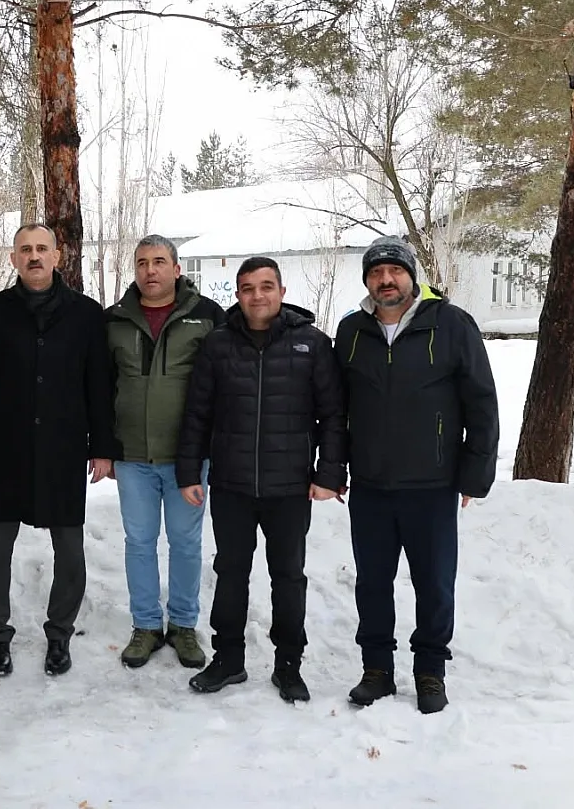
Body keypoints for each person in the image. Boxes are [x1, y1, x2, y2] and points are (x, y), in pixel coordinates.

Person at [335, 236, 499, 714]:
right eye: (376, 273)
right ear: (367, 280)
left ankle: (430, 671)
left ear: (411, 275)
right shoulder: (351, 331)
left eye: (395, 272)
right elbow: (335, 408)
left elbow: (481, 401)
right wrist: (335, 467)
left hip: (432, 483)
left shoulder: (449, 324)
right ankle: (377, 670)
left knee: (433, 582)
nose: (386, 281)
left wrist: (475, 472)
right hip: (370, 485)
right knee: (372, 582)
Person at [176, 256, 346, 702]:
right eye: (248, 288)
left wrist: (329, 472)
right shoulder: (217, 345)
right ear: (237, 295)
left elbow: (331, 415)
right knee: (230, 573)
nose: (257, 296)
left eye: (266, 286)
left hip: (290, 487)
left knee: (288, 576)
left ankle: (289, 664)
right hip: (231, 485)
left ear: (282, 292)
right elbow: (197, 414)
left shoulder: (311, 344)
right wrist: (188, 471)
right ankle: (228, 659)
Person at [0, 223, 119, 677]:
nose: (34, 256)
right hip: (4, 447)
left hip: (63, 447)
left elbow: (97, 386)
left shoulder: (87, 314)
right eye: (25, 249)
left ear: (58, 256)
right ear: (13, 258)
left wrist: (102, 448)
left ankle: (59, 635)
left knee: (69, 550)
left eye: (42, 249)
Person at [106, 235, 226, 670]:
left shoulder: (208, 317)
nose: (150, 270)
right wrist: (103, 446)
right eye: (142, 263)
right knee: (138, 541)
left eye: (159, 262)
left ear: (177, 269)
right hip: (133, 456)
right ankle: (145, 626)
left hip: (188, 460)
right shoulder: (115, 320)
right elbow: (101, 388)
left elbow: (224, 385)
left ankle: (183, 626)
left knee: (185, 542)